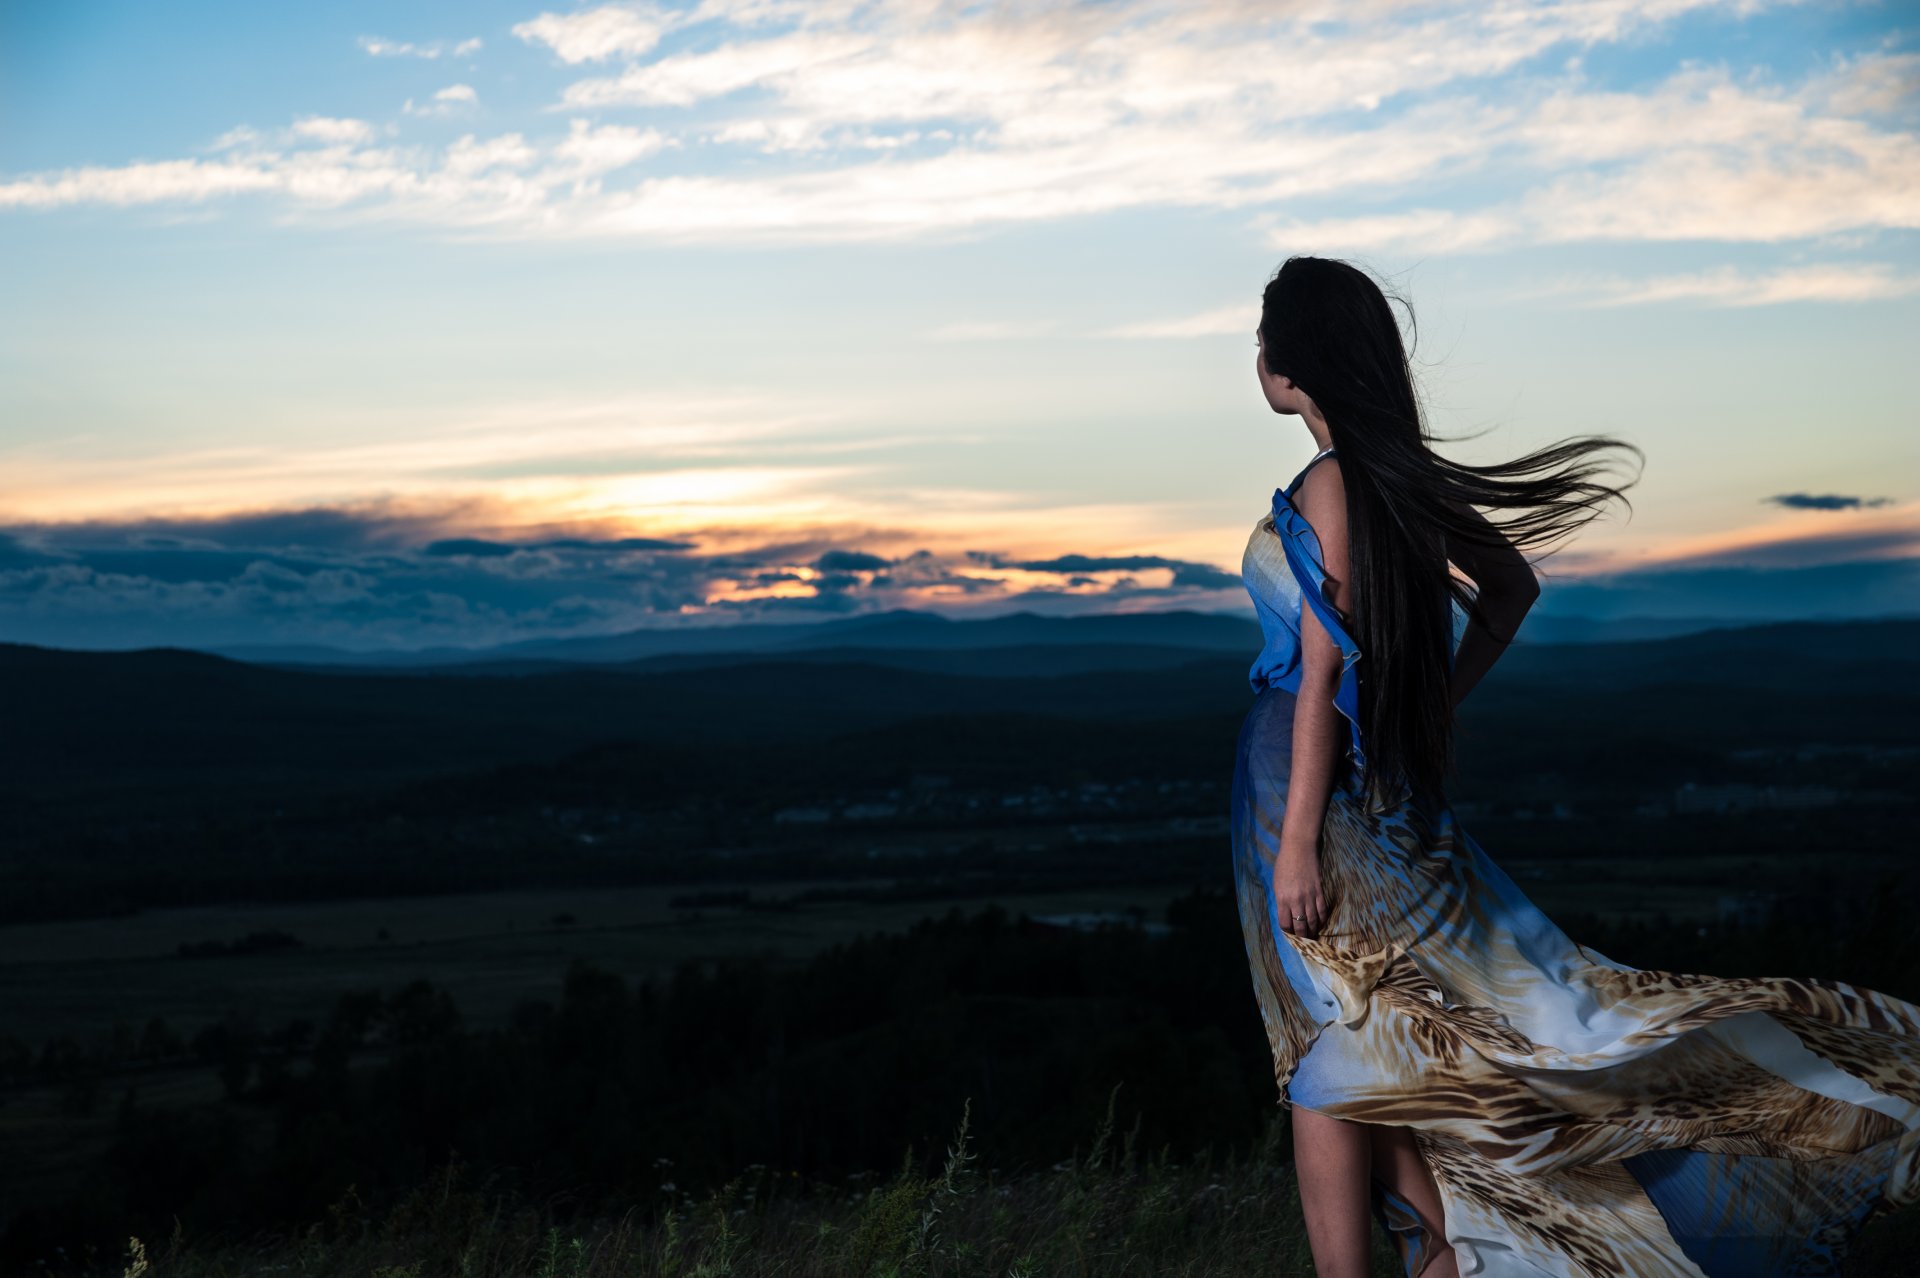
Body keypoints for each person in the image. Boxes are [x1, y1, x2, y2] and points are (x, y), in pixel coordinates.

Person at [1231, 255, 1920, 1277]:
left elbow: (1328, 655)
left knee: (1334, 1046)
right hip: (1363, 790)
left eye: (1261, 339)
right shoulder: (1399, 483)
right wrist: (1427, 705)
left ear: (1290, 365)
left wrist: (1297, 841)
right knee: (1379, 1039)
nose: (1254, 357)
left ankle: (1405, 1261)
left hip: (1312, 798)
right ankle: (1442, 1251)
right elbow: (1511, 591)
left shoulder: (1332, 483)